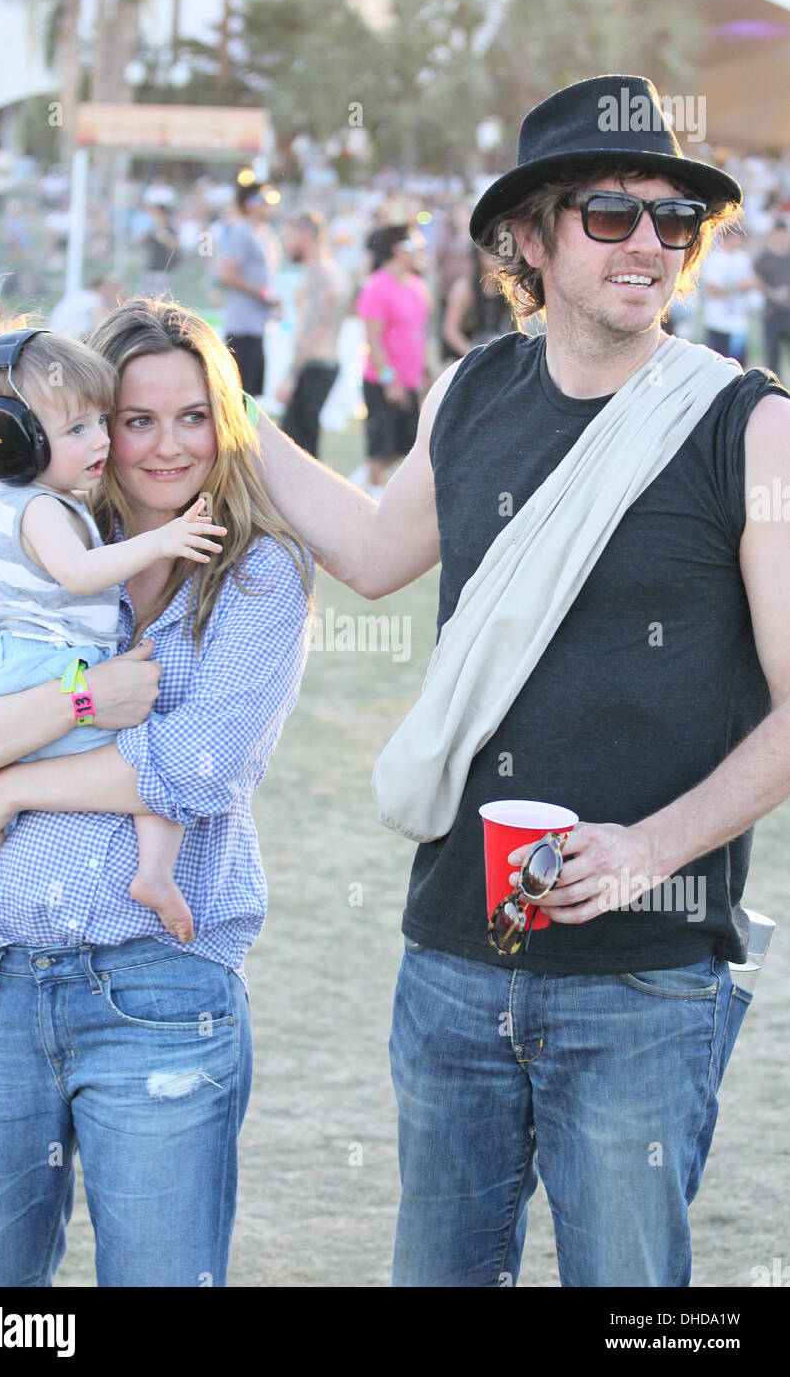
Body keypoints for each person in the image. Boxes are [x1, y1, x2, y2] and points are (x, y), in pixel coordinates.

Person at [248, 74, 790, 1287]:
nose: (647, 242)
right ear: (529, 240)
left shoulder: (747, 429)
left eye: (673, 221)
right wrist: (225, 411)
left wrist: (650, 848)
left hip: (643, 970)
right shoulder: (470, 391)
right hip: (451, 948)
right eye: (608, 213)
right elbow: (373, 553)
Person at [0, 295, 313, 1287]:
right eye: (134, 419)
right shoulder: (21, 552)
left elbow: (198, 769)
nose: (163, 446)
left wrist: (3, 788)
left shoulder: (258, 573)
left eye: (193, 416)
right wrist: (86, 697)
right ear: (86, 423)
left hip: (156, 990)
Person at [0, 313, 229, 987]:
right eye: (75, 431)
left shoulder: (24, 501)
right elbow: (79, 574)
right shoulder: (41, 507)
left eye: (100, 422)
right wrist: (159, 541)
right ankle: (154, 875)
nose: (98, 443)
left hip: (4, 672)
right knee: (148, 762)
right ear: (10, 444)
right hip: (48, 666)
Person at [353, 224, 430, 496]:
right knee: (381, 445)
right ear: (398, 249)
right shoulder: (377, 286)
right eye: (416, 246)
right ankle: (370, 496)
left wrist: (423, 374)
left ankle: (359, 480)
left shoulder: (418, 285)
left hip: (410, 380)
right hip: (383, 381)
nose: (421, 252)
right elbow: (372, 339)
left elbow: (420, 334)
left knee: (408, 445)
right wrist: (388, 379)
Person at [276, 211, 352, 459]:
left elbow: (314, 328)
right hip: (322, 363)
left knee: (296, 452)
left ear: (306, 236)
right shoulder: (334, 271)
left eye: (290, 237)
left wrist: (292, 375)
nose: (287, 244)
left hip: (313, 366)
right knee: (301, 447)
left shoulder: (320, 274)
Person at [216, 182, 282, 395]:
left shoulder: (263, 233)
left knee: (250, 393)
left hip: (257, 323)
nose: (270, 204)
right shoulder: (242, 232)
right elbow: (227, 273)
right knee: (239, 393)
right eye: (264, 199)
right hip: (243, 325)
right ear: (249, 204)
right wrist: (263, 293)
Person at [440, 246, 514, 360]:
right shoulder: (464, 288)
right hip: (468, 358)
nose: (495, 258)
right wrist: (476, 356)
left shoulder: (510, 288)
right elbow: (450, 331)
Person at [700, 227, 759, 363]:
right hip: (718, 322)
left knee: (739, 364)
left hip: (739, 321)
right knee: (720, 363)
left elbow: (751, 282)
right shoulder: (715, 259)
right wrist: (736, 287)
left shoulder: (742, 258)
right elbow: (712, 289)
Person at [754, 218, 790, 379]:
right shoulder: (764, 258)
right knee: (772, 357)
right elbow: (756, 280)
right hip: (772, 312)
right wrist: (772, 292)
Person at [141, 204, 179, 298]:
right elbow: (141, 241)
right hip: (151, 269)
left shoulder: (169, 229)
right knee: (145, 299)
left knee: (161, 300)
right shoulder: (152, 229)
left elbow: (173, 246)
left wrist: (162, 234)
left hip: (162, 271)